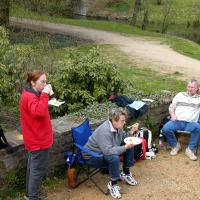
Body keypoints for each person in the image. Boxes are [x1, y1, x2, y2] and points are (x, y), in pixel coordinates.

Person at [82, 108, 139, 199]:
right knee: (114, 157)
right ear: (114, 121)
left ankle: (126, 173)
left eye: (124, 120)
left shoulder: (117, 127)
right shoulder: (105, 131)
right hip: (92, 156)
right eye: (122, 121)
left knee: (130, 146)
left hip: (104, 151)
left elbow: (123, 137)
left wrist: (132, 131)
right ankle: (113, 184)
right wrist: (124, 147)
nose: (124, 123)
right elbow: (108, 151)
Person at [20, 70, 53, 200]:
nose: (45, 84)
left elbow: (36, 110)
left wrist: (45, 101)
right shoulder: (31, 96)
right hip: (38, 140)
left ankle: (30, 194)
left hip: (34, 138)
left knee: (33, 167)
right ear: (33, 82)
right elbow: (38, 113)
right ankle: (33, 197)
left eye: (46, 81)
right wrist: (45, 94)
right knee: (37, 170)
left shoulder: (30, 93)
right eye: (42, 82)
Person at [162, 79, 200, 161]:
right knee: (166, 128)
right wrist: (172, 115)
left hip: (191, 123)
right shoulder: (180, 95)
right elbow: (172, 107)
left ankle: (190, 150)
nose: (190, 89)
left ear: (197, 88)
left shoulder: (199, 98)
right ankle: (175, 145)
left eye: (193, 87)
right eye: (189, 87)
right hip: (177, 122)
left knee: (198, 128)